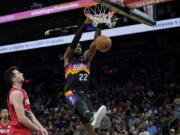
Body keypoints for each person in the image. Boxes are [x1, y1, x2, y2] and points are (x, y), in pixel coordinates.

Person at [63, 17, 106, 134]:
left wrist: (99, 26)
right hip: (71, 92)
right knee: (88, 113)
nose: (78, 46)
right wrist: (84, 25)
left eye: (80, 46)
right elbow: (74, 41)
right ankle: (91, 115)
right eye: (76, 46)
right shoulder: (67, 59)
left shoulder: (86, 59)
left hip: (85, 94)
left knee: (90, 126)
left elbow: (94, 45)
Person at [4, 66, 48, 135]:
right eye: (18, 73)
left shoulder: (23, 92)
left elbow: (29, 113)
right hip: (17, 132)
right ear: (14, 79)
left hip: (24, 131)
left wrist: (41, 127)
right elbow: (21, 118)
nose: (21, 74)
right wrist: (38, 129)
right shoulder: (16, 94)